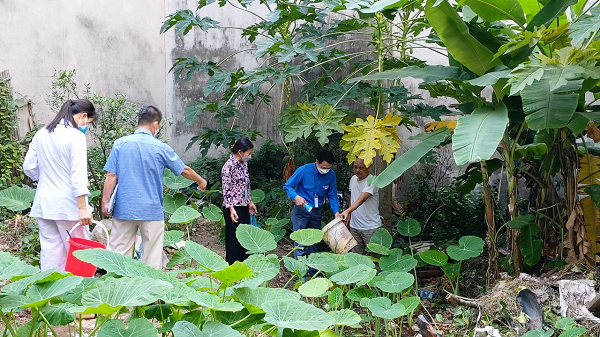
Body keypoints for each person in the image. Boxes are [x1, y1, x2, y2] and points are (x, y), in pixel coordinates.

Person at [101, 105, 207, 269]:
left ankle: (117, 290)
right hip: (151, 210)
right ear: (156, 124)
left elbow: (111, 176)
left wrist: (105, 201)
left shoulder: (120, 144)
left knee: (118, 255)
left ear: (139, 122)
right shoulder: (161, 147)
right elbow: (183, 170)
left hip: (124, 208)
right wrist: (201, 181)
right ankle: (149, 293)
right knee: (151, 258)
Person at [23, 99, 97, 271]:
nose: (86, 126)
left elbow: (28, 167)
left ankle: (50, 295)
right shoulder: (76, 136)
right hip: (69, 206)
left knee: (50, 251)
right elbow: (78, 175)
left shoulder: (41, 133)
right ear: (84, 116)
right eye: (88, 122)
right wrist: (82, 208)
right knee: (80, 252)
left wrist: (46, 177)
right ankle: (78, 293)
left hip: (45, 202)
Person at [283, 150, 340, 264]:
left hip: (317, 212)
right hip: (301, 211)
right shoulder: (303, 170)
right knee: (300, 243)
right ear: (317, 162)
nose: (325, 170)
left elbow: (332, 195)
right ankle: (301, 276)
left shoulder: (331, 175)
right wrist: (296, 197)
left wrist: (336, 212)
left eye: (328, 168)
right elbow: (287, 186)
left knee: (315, 243)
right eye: (323, 167)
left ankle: (313, 273)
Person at [221, 137, 257, 264]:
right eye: (249, 153)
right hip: (233, 207)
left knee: (244, 236)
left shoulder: (244, 164)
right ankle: (232, 265)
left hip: (244, 205)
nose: (250, 156)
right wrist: (231, 208)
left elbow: (247, 185)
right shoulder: (228, 166)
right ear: (241, 151)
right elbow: (226, 189)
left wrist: (250, 201)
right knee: (234, 238)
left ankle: (244, 264)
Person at [340, 158, 382, 254]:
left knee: (374, 259)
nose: (357, 170)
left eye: (361, 168)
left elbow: (360, 200)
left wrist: (347, 211)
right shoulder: (353, 179)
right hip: (354, 227)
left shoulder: (373, 181)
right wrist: (349, 216)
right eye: (355, 167)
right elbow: (353, 198)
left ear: (369, 166)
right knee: (357, 260)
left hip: (370, 228)